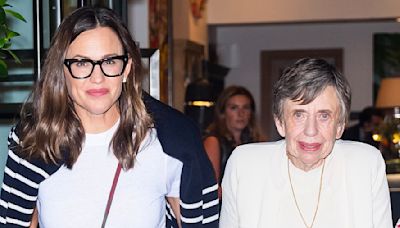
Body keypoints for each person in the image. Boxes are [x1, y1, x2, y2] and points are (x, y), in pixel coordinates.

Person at [0, 7, 219, 228]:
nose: (97, 77)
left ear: (127, 68)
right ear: (62, 71)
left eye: (109, 61)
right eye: (82, 63)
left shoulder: (168, 142)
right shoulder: (34, 145)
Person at [220, 58, 392, 227]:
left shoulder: (366, 164)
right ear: (280, 123)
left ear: (339, 126)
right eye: (299, 115)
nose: (311, 130)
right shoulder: (244, 165)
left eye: (324, 115)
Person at [203, 85, 262, 198]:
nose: (241, 114)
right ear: (223, 113)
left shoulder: (256, 143)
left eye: (245, 107)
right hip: (223, 211)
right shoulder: (213, 141)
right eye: (234, 108)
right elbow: (211, 189)